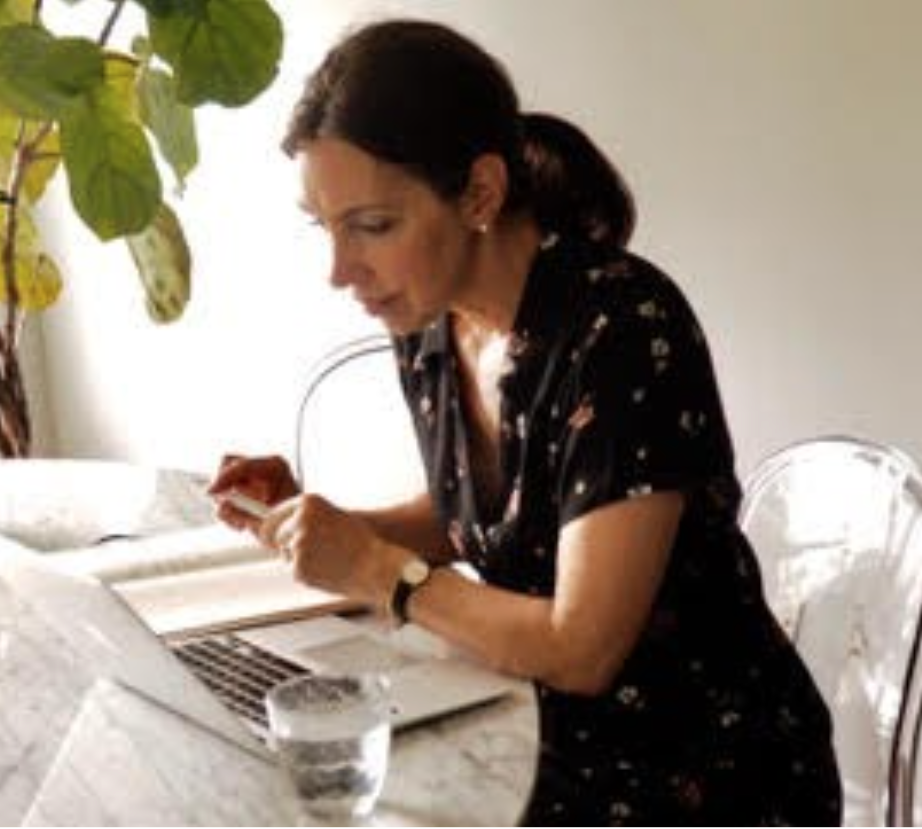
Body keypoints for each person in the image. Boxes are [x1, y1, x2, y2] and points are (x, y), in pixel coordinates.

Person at [208, 18, 842, 825]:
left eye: (372, 226)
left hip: (702, 769)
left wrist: (376, 570)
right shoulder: (431, 323)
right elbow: (485, 519)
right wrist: (323, 527)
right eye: (322, 226)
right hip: (538, 724)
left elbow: (582, 648)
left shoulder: (624, 329)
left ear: (479, 192)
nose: (340, 271)